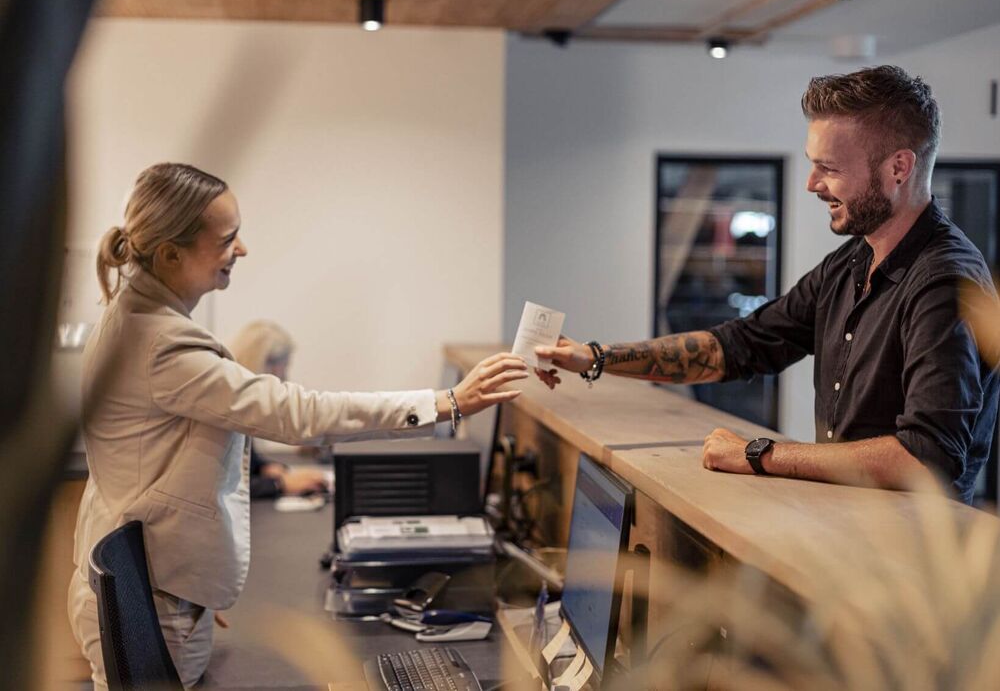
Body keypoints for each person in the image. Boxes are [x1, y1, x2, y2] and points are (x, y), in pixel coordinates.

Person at [68, 162, 528, 690]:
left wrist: (194, 577)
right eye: (228, 239)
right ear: (172, 255)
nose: (241, 250)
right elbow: (297, 413)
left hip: (156, 587)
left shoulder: (133, 319)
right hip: (152, 598)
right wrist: (447, 403)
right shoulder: (160, 343)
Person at [537, 65, 998, 505]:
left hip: (911, 554)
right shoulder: (850, 263)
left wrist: (759, 454)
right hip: (847, 534)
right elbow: (743, 344)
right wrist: (596, 357)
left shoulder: (945, 282)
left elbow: (926, 458)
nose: (812, 184)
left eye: (830, 168)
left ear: (899, 168)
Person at [229, 320, 328, 498]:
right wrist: (280, 485)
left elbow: (249, 462)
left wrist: (266, 468)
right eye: (285, 367)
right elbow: (226, 484)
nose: (284, 377)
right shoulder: (228, 408)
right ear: (268, 366)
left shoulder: (237, 400)